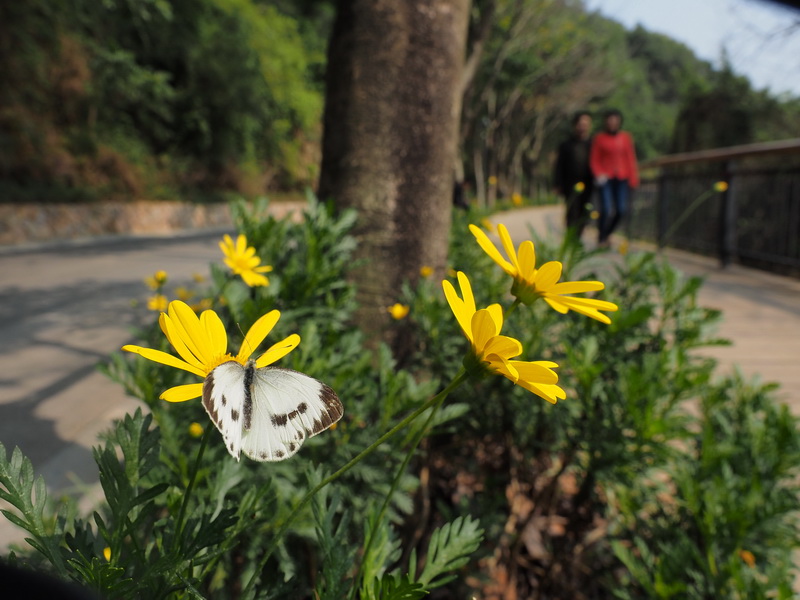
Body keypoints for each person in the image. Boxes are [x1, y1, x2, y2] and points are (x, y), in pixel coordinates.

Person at [590, 109, 639, 247]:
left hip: (622, 178)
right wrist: (598, 173)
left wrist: (633, 178)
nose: (612, 123)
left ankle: (607, 233)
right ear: (606, 122)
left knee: (621, 210)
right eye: (610, 120)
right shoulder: (599, 138)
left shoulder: (625, 137)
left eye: (615, 120)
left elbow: (630, 158)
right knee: (605, 209)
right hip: (606, 179)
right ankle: (601, 238)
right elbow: (595, 159)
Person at [553, 111, 594, 238]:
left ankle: (578, 237)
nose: (583, 126)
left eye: (586, 124)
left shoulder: (593, 144)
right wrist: (557, 183)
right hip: (569, 183)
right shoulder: (566, 145)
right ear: (575, 125)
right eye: (580, 124)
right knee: (571, 211)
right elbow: (559, 165)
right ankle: (570, 238)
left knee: (584, 213)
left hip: (589, 184)